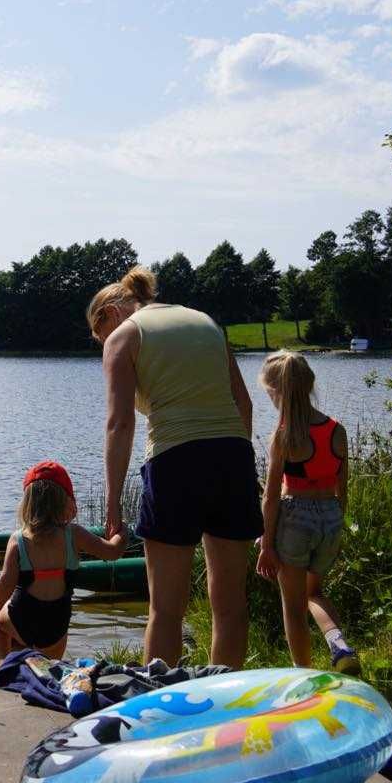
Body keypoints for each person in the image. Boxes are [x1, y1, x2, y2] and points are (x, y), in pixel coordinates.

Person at [89, 265, 260, 669]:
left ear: (110, 315)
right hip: (233, 458)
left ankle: (160, 712)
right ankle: (224, 708)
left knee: (166, 609)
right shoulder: (205, 323)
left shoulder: (124, 336)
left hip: (175, 462)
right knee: (230, 604)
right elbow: (245, 405)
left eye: (100, 338)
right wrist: (236, 462)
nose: (104, 345)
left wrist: (113, 504)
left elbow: (119, 423)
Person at [255, 351, 359, 673]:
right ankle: (339, 645)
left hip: (294, 519)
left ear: (276, 392)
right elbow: (343, 487)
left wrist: (267, 544)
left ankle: (303, 675)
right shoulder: (336, 430)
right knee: (315, 593)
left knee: (294, 609)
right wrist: (337, 526)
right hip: (330, 517)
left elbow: (271, 497)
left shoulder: (284, 435)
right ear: (309, 384)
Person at [0, 461, 126, 659]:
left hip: (21, 620)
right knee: (52, 661)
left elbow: (5, 583)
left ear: (27, 503)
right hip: (56, 626)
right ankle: (49, 669)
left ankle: (4, 662)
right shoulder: (74, 535)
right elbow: (112, 552)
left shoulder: (18, 540)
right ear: (66, 501)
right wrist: (123, 532)